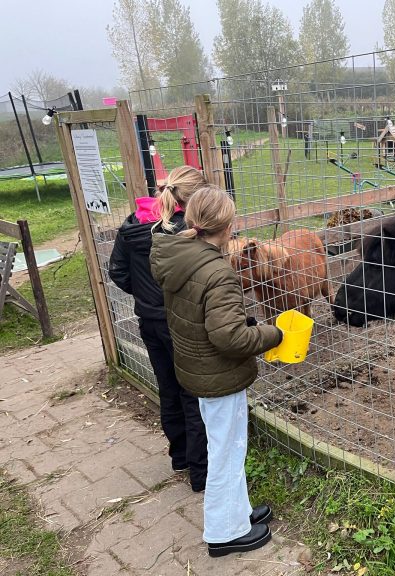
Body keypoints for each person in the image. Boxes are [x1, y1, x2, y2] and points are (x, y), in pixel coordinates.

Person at [150, 185, 282, 557]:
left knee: (226, 445)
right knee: (227, 450)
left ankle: (237, 513)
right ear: (227, 227)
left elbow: (202, 317)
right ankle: (224, 534)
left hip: (196, 368)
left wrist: (243, 320)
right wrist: (274, 333)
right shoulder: (217, 272)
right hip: (218, 374)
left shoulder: (179, 256)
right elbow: (229, 338)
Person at [108, 165, 208, 492]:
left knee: (167, 386)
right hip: (180, 322)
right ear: (192, 199)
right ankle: (201, 472)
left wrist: (145, 296)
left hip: (148, 322)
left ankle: (179, 456)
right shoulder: (186, 230)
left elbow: (118, 272)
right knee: (192, 392)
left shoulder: (132, 224)